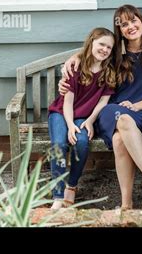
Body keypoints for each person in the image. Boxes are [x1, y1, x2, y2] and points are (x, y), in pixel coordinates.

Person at [60, 5, 142, 210]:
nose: (130, 27)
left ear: (141, 22)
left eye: (133, 21)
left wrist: (135, 105)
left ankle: (126, 205)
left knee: (120, 139)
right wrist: (73, 58)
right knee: (122, 118)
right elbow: (91, 54)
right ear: (119, 30)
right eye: (124, 24)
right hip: (110, 111)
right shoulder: (114, 54)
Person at [48, 27, 116, 210]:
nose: (105, 49)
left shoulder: (109, 72)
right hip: (62, 113)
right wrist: (70, 125)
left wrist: (91, 120)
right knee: (59, 145)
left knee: (82, 142)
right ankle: (57, 194)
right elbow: (67, 102)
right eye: (101, 44)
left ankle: (72, 184)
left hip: (85, 117)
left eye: (109, 47)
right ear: (91, 42)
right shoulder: (76, 67)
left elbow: (103, 101)